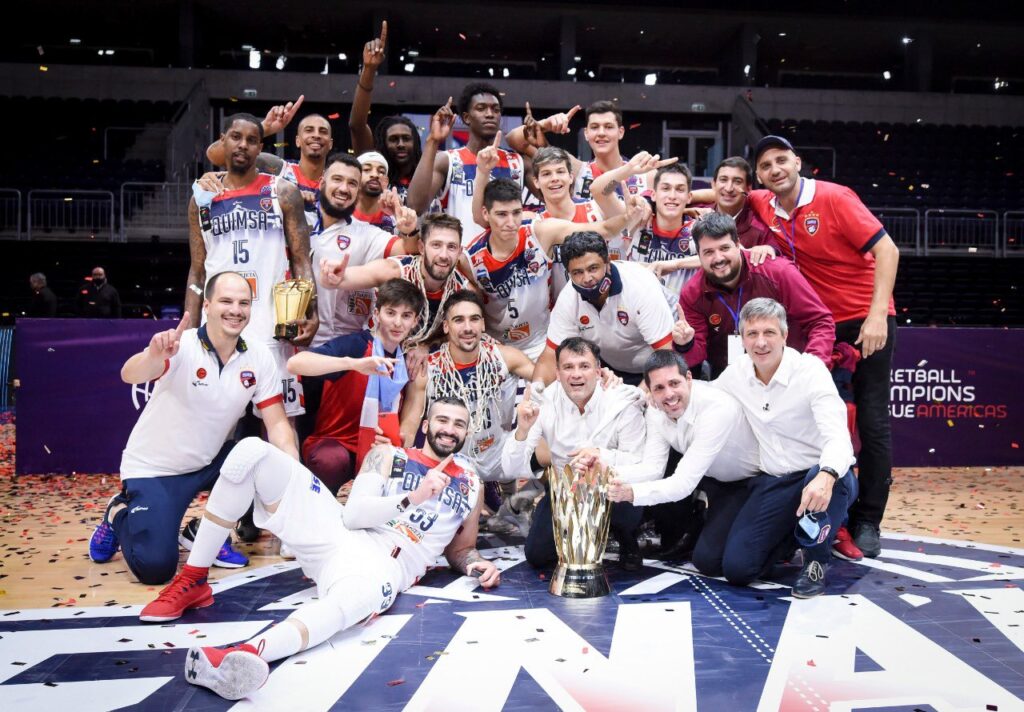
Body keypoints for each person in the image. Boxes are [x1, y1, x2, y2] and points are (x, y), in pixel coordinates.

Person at [141, 398, 498, 702]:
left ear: (467, 432)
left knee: (352, 601)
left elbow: (462, 549)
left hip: (384, 565)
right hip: (336, 531)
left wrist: (476, 565)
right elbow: (355, 514)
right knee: (251, 453)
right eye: (443, 420)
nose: (450, 429)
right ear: (425, 424)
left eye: (459, 424)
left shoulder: (471, 484)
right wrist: (414, 496)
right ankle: (194, 579)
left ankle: (243, 656)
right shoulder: (388, 456)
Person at [88, 272, 297, 583]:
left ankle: (203, 533)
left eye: (243, 303)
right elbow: (128, 374)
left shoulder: (258, 355)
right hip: (155, 470)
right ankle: (118, 514)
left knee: (261, 457)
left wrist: (294, 477)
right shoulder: (182, 345)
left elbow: (278, 424)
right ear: (208, 306)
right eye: (226, 301)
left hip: (209, 461)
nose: (235, 310)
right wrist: (153, 355)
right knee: (156, 568)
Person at [747, 135, 898, 558]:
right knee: (820, 423)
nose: (775, 169)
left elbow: (887, 249)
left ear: (798, 162)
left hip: (865, 320)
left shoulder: (834, 197)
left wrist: (877, 315)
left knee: (869, 421)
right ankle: (831, 519)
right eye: (766, 166)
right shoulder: (766, 204)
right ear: (760, 176)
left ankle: (868, 519)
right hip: (818, 326)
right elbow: (727, 190)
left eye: (782, 160)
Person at [712, 298, 858, 598]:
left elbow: (838, 438)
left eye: (769, 333)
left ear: (785, 335)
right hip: (775, 481)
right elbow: (700, 397)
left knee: (820, 479)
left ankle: (815, 561)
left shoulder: (810, 371)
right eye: (752, 334)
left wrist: (827, 475)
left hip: (822, 478)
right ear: (741, 339)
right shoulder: (735, 374)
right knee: (737, 570)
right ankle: (794, 537)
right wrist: (645, 390)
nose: (761, 342)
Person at [185, 113, 319, 428]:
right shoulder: (202, 198)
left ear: (261, 147)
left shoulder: (283, 192)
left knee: (279, 424)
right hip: (218, 324)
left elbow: (301, 259)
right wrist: (190, 328)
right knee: (214, 426)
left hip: (273, 321)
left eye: (251, 139)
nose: (243, 145)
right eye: (235, 137)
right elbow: (197, 271)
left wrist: (311, 310)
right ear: (223, 141)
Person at [502, 338, 647, 570]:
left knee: (626, 510)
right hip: (565, 492)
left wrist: (601, 459)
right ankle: (570, 528)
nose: (576, 375)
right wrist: (522, 430)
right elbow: (510, 468)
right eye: (568, 367)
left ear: (598, 371)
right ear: (558, 373)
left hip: (611, 489)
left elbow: (640, 463)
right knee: (537, 555)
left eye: (584, 366)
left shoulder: (622, 400)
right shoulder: (544, 402)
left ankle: (624, 535)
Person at [606, 350, 760, 566]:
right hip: (719, 483)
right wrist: (605, 473)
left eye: (674, 383)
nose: (668, 394)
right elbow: (653, 468)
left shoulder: (716, 409)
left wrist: (630, 493)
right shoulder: (655, 410)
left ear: (689, 379)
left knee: (739, 566)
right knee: (708, 561)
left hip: (755, 481)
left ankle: (787, 535)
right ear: (649, 391)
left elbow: (684, 483)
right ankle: (700, 518)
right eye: (659, 388)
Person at [466, 176, 644, 359]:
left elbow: (604, 229)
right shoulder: (469, 259)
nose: (511, 222)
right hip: (498, 347)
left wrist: (627, 217)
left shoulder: (541, 232)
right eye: (502, 214)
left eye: (516, 212)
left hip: (544, 339)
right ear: (486, 214)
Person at [288, 279, 425, 496]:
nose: (398, 322)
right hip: (337, 444)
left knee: (406, 465)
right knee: (330, 460)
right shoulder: (356, 345)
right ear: (377, 314)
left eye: (406, 316)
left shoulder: (407, 361)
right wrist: (352, 364)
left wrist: (392, 441)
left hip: (377, 447)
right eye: (391, 313)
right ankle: (326, 509)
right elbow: (295, 363)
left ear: (415, 321)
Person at [401, 291, 534, 490]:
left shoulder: (506, 357)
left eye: (474, 319)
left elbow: (550, 382)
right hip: (453, 462)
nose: (468, 328)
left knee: (552, 446)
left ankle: (514, 501)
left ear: (483, 324)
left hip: (500, 452)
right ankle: (486, 495)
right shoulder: (427, 369)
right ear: (446, 326)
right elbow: (409, 428)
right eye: (458, 320)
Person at [677, 211, 835, 379]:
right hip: (730, 380)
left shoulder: (778, 273)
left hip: (788, 375)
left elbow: (820, 322)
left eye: (724, 248)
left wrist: (811, 369)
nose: (718, 258)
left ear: (738, 244)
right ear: (698, 255)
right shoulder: (692, 293)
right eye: (708, 252)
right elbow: (695, 356)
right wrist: (685, 345)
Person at [533, 231, 676, 386]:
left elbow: (665, 355)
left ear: (608, 263)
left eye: (593, 268)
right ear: (569, 273)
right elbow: (550, 356)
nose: (587, 278)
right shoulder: (568, 298)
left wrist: (637, 396)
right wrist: (535, 392)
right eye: (578, 272)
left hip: (665, 362)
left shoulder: (640, 287)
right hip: (613, 371)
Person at [318, 213, 469, 359]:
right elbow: (340, 280)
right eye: (436, 245)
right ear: (421, 248)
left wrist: (426, 346)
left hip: (420, 361)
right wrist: (331, 276)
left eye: (451, 247)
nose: (443, 255)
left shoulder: (462, 291)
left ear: (460, 251)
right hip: (375, 351)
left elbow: (464, 336)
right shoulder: (396, 270)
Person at [307, 153, 419, 348]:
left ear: (358, 190)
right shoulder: (297, 219)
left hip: (341, 346)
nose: (344, 188)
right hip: (291, 341)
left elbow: (408, 249)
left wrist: (408, 229)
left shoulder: (366, 233)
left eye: (352, 183)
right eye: (337, 179)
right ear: (322, 182)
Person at [406, 83, 525, 243]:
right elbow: (415, 206)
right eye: (481, 108)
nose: (490, 114)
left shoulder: (516, 162)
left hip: (506, 262)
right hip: (460, 260)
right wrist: (433, 141)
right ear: (467, 117)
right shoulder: (448, 161)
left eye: (495, 110)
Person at [206, 97, 330, 224]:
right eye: (309, 130)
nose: (316, 135)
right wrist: (264, 128)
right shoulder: (277, 168)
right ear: (297, 141)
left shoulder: (338, 182)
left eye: (323, 131)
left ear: (331, 144)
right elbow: (215, 156)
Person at [507, 100, 653, 202]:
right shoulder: (576, 170)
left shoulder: (645, 175)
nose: (601, 133)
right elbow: (513, 139)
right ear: (586, 133)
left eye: (608, 127)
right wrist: (545, 124)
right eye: (595, 127)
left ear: (620, 132)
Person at [592, 161, 701, 296]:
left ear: (689, 197)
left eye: (679, 189)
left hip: (680, 315)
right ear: (653, 195)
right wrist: (628, 169)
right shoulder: (637, 220)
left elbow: (729, 256)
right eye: (665, 188)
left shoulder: (699, 231)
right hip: (636, 312)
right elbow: (598, 190)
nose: (672, 196)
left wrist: (674, 264)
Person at [348, 22, 422, 200]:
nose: (401, 144)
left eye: (406, 138)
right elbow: (357, 125)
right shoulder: (373, 168)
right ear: (382, 143)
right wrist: (369, 69)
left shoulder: (425, 176)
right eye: (393, 139)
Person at [708, 156, 777, 249]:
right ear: (713, 184)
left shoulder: (761, 231)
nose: (729, 188)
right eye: (723, 180)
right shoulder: (694, 217)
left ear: (748, 189)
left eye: (737, 181)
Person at [352, 151, 398, 232]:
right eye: (367, 169)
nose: (375, 175)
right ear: (355, 177)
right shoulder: (343, 212)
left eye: (381, 172)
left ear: (386, 182)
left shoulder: (393, 215)